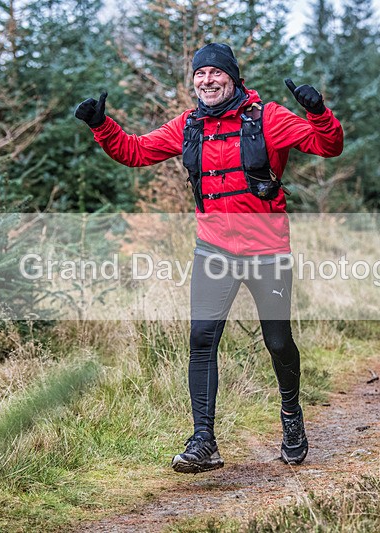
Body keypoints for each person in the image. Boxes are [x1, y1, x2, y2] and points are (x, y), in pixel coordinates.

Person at [75, 43, 343, 473]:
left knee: (277, 342)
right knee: (202, 340)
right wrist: (101, 125)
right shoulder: (189, 125)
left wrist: (319, 112)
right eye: (200, 75)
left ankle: (291, 418)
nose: (207, 81)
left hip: (267, 250)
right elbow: (136, 151)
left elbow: (328, 146)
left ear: (233, 78)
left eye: (216, 73)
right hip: (213, 249)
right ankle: (204, 441)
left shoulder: (267, 117)